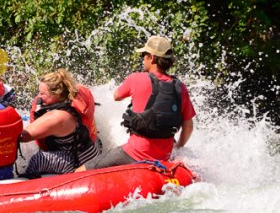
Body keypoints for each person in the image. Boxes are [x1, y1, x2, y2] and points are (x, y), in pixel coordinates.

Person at [80, 35, 195, 170]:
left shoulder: (136, 78)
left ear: (152, 58)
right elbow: (188, 126)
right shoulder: (180, 87)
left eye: (144, 55)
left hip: (134, 154)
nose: (143, 59)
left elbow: (116, 96)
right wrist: (178, 146)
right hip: (165, 156)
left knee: (81, 170)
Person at [20, 69, 100, 177]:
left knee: (38, 159)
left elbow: (23, 136)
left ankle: (27, 184)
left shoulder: (58, 117)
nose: (38, 97)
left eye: (42, 93)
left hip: (78, 161)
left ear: (57, 94)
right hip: (90, 151)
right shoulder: (72, 97)